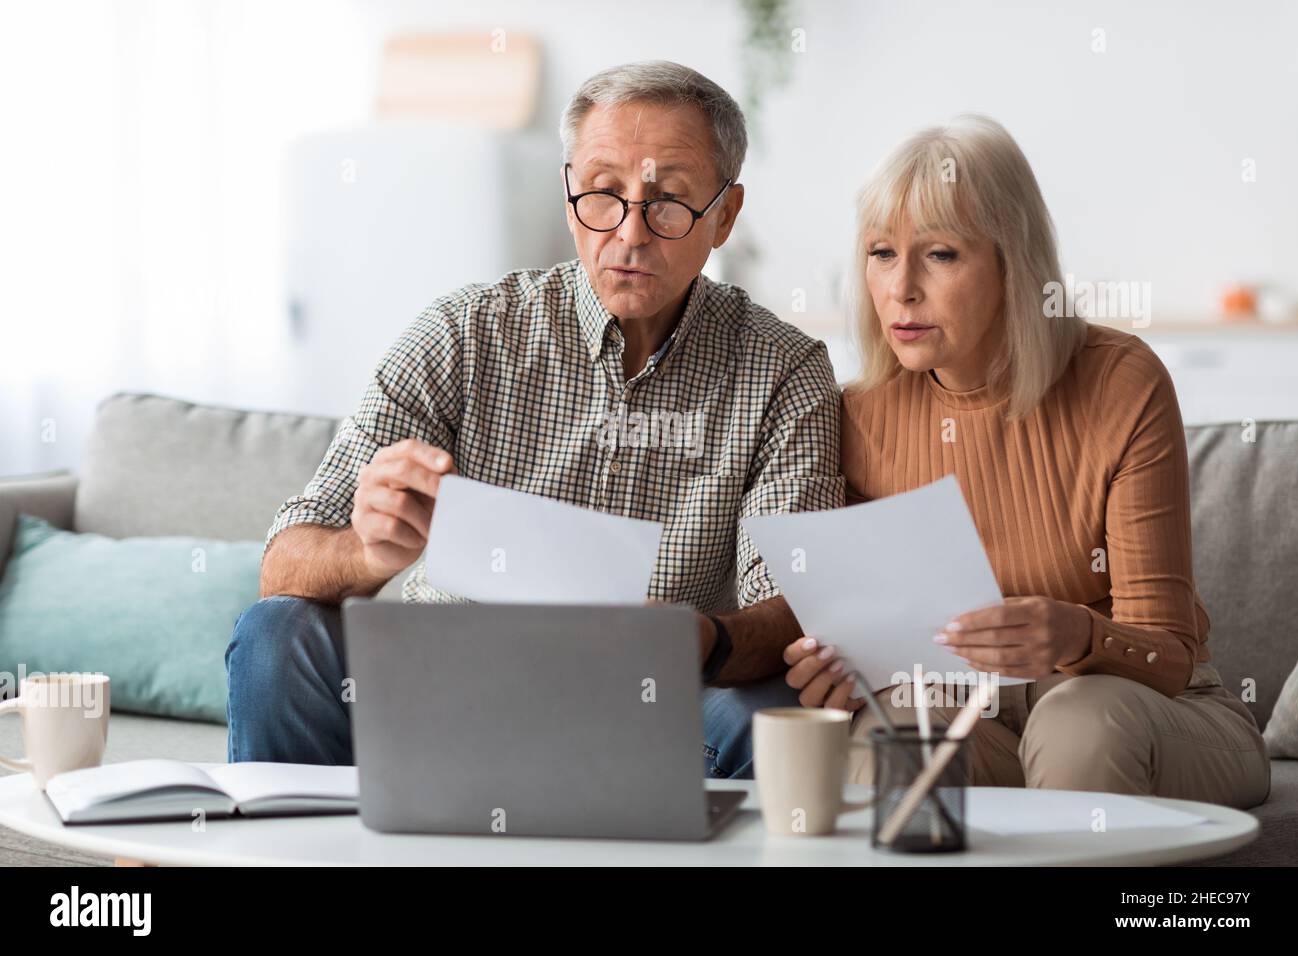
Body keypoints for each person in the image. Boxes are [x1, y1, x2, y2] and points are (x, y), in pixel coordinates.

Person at [226, 61, 844, 776]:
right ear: (568, 190)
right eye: (604, 194)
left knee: (762, 721)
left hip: (644, 705)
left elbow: (793, 603)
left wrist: (700, 638)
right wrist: (368, 553)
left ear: (726, 215)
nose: (630, 233)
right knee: (276, 634)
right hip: (436, 683)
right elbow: (283, 563)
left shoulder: (784, 369)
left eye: (669, 201)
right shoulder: (463, 332)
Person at [783, 115, 1270, 808]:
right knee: (892, 736)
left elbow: (1168, 656)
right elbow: (874, 632)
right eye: (881, 253)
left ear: (1014, 261)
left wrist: (1080, 633)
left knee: (1078, 723)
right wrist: (838, 666)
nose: (901, 288)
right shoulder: (856, 413)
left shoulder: (1118, 381)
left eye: (941, 254)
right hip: (980, 722)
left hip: (1156, 715)